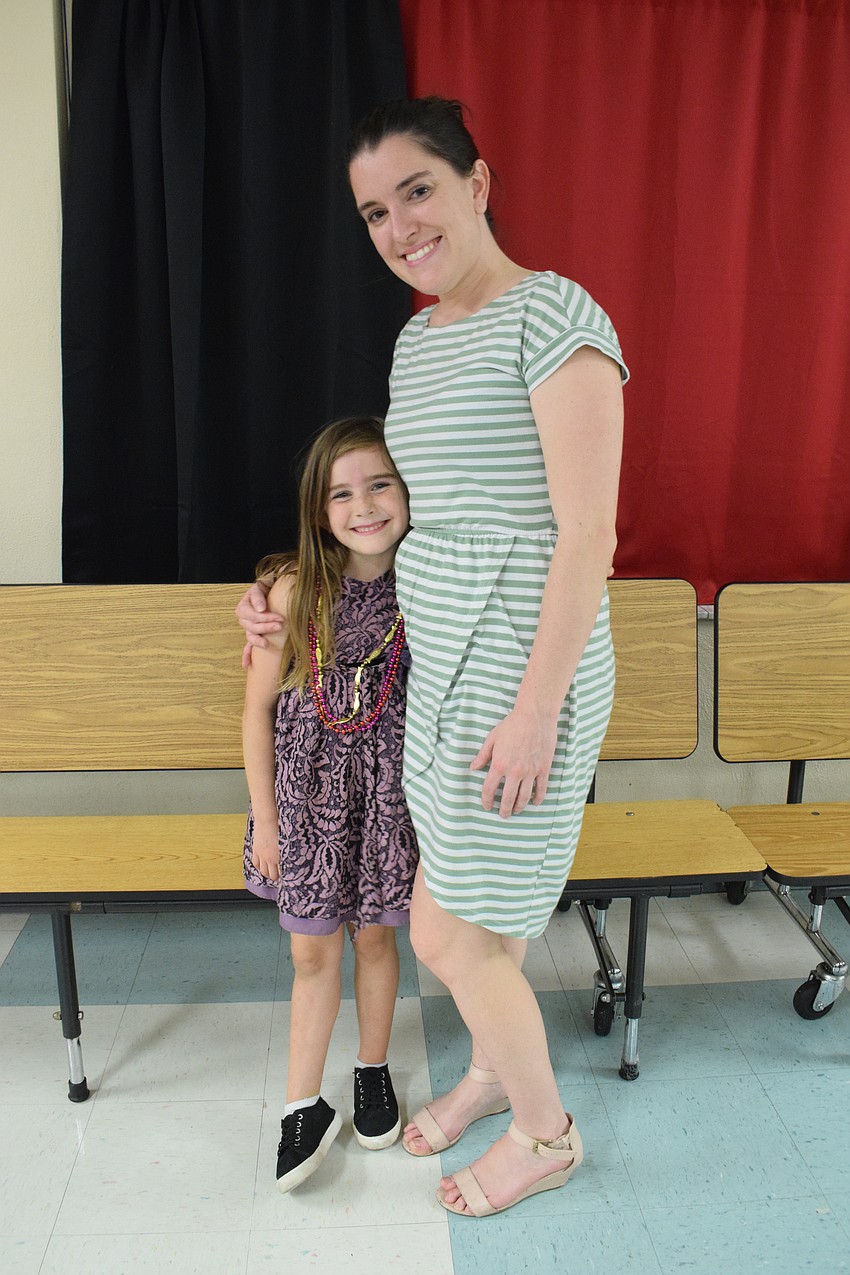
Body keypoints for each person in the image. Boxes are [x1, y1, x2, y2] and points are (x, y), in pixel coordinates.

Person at [238, 97, 627, 1218]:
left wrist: (537, 709)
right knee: (485, 924)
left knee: (444, 929)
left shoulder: (553, 316)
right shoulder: (417, 339)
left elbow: (586, 535)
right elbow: (416, 520)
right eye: (374, 210)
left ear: (477, 185)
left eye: (418, 190)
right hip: (438, 679)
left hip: (522, 679)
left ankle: (547, 1137)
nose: (399, 224)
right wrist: (277, 591)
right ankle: (495, 1077)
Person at [241, 415, 418, 1193]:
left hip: (389, 802)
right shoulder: (290, 587)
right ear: (320, 510)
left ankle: (370, 1070)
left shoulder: (431, 578)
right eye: (342, 492)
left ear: (409, 489)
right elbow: (254, 713)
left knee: (378, 942)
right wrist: (269, 823)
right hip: (305, 808)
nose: (365, 504)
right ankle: (301, 1105)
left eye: (381, 483)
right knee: (311, 953)